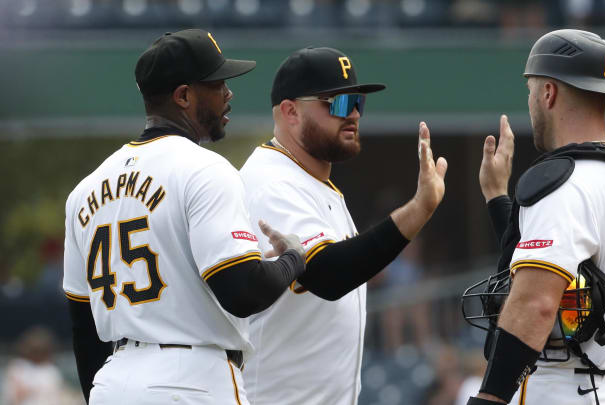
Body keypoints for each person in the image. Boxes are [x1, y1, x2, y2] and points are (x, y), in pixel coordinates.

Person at [63, 29, 306, 405]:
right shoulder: (204, 169)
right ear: (184, 96)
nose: (228, 94)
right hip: (192, 380)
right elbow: (242, 291)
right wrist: (293, 259)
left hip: (113, 382)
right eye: (218, 84)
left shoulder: (85, 190)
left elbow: (83, 328)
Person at [239, 46, 448, 405]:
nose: (352, 113)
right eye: (335, 102)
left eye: (357, 103)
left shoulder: (315, 186)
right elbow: (328, 274)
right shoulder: (272, 182)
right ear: (290, 111)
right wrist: (419, 209)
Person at [466, 29, 605, 405]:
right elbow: (571, 271)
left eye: (531, 90)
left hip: (566, 389)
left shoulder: (563, 181)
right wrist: (497, 198)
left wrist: (488, 398)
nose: (530, 101)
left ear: (548, 93)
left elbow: (536, 303)